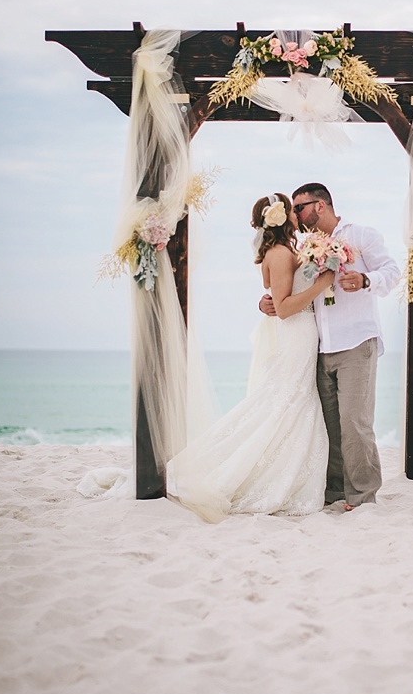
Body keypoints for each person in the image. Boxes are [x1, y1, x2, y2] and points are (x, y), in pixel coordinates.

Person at [168, 193, 333, 523]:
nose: (299, 214)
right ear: (285, 217)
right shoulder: (282, 253)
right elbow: (285, 308)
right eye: (294, 209)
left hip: (298, 334)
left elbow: (275, 297)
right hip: (297, 330)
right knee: (289, 402)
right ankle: (268, 479)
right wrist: (322, 284)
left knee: (286, 402)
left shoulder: (281, 251)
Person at [260, 183, 400, 510]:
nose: (294, 215)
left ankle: (363, 495)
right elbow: (291, 290)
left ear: (320, 206)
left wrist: (366, 281)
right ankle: (334, 491)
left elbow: (392, 271)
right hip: (318, 347)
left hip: (356, 341)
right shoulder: (304, 246)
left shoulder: (362, 235)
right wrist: (269, 303)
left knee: (355, 422)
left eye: (299, 208)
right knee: (328, 425)